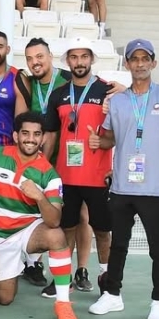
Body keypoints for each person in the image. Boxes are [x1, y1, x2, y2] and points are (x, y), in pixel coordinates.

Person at [90, 39, 159, 319]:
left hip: (155, 187)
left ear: (153, 62)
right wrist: (98, 141)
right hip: (122, 186)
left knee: (158, 248)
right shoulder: (118, 101)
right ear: (126, 64)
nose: (139, 64)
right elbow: (111, 138)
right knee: (119, 245)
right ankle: (112, 294)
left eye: (144, 58)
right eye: (134, 59)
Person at [0, 112, 79, 319]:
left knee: (56, 236)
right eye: (25, 133)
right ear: (16, 136)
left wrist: (39, 197)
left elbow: (54, 221)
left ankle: (63, 303)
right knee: (4, 299)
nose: (31, 139)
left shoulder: (50, 175)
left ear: (43, 138)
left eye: (36, 134)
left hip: (28, 231)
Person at [42, 38, 113, 295]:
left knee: (102, 230)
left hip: (98, 176)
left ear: (91, 59)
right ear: (68, 61)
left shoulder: (108, 91)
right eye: (74, 57)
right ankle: (63, 279)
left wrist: (103, 142)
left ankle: (108, 279)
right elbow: (51, 135)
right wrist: (42, 167)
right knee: (66, 228)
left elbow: (119, 133)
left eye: (84, 56)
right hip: (66, 177)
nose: (79, 62)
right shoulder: (59, 94)